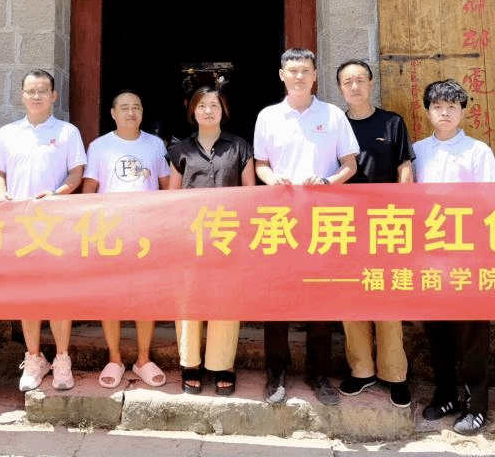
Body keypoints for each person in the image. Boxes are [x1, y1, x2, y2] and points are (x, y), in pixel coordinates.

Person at [253, 48, 359, 406]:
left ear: (315, 75)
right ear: (282, 74)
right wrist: (273, 180)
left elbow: (350, 164)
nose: (299, 76)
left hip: (323, 219)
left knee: (320, 296)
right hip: (280, 219)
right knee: (277, 298)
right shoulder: (268, 116)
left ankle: (319, 373)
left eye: (305, 71)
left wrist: (327, 182)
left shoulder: (332, 115)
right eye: (292, 70)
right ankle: (276, 372)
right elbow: (261, 164)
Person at [0, 69, 87, 392]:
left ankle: (62, 359)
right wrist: (2, 195)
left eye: (43, 90)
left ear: (54, 95)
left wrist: (57, 194)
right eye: (30, 91)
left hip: (57, 225)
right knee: (27, 294)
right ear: (22, 95)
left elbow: (76, 173)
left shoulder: (68, 132)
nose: (36, 96)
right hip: (20, 226)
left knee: (59, 295)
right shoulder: (7, 133)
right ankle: (34, 358)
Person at [413, 79, 495, 435]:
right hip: (430, 253)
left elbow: (492, 202)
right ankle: (446, 394)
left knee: (471, 330)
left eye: (452, 106)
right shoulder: (417, 150)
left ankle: (475, 405)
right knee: (437, 328)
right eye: (438, 106)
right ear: (427, 111)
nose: (445, 113)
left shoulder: (478, 151)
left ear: (463, 111)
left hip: (468, 253)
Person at [335, 60, 414, 409]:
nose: (354, 87)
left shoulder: (392, 122)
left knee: (388, 298)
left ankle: (395, 374)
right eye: (347, 82)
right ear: (340, 88)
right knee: (351, 297)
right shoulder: (335, 125)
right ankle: (362, 370)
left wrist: (402, 211)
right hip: (344, 225)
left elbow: (404, 166)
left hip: (386, 223)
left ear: (370, 83)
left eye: (360, 80)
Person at [167, 86, 255, 395]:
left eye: (214, 105)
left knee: (225, 299)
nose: (207, 110)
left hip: (228, 234)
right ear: (192, 110)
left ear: (223, 110)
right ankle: (190, 362)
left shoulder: (240, 147)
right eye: (201, 105)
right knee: (189, 297)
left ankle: (223, 363)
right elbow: (172, 196)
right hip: (191, 236)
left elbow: (250, 193)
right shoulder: (180, 150)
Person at [82, 90, 170, 389]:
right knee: (111, 296)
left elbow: (166, 186)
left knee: (146, 296)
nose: (130, 113)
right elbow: (89, 188)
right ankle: (115, 358)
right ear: (112, 113)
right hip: (110, 232)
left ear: (142, 112)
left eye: (136, 107)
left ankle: (143, 359)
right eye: (124, 108)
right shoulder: (99, 146)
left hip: (147, 232)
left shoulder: (155, 144)